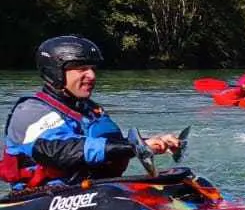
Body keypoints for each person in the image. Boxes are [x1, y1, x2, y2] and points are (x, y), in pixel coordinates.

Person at [2, 35, 183, 189]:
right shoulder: (30, 111)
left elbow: (103, 145)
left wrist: (148, 143)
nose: (92, 76)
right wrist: (133, 147)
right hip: (42, 198)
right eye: (81, 69)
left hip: (90, 190)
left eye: (93, 69)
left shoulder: (88, 110)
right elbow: (61, 151)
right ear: (55, 72)